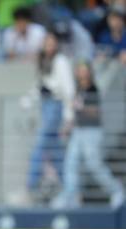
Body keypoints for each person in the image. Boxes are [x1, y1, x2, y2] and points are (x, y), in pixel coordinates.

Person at [51, 62, 124, 209]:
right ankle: (70, 195)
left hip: (92, 131)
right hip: (78, 130)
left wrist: (81, 107)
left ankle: (117, 191)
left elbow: (96, 112)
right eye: (80, 71)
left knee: (94, 164)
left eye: (84, 71)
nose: (82, 74)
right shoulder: (78, 89)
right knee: (70, 163)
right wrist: (67, 127)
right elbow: (75, 113)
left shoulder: (93, 89)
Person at [27, 32, 75, 197]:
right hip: (46, 106)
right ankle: (70, 189)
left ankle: (30, 187)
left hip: (56, 106)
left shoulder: (61, 61)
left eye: (51, 42)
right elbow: (39, 85)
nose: (49, 45)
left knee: (39, 147)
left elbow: (68, 89)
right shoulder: (43, 61)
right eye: (46, 42)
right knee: (56, 153)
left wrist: (69, 117)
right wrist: (28, 100)